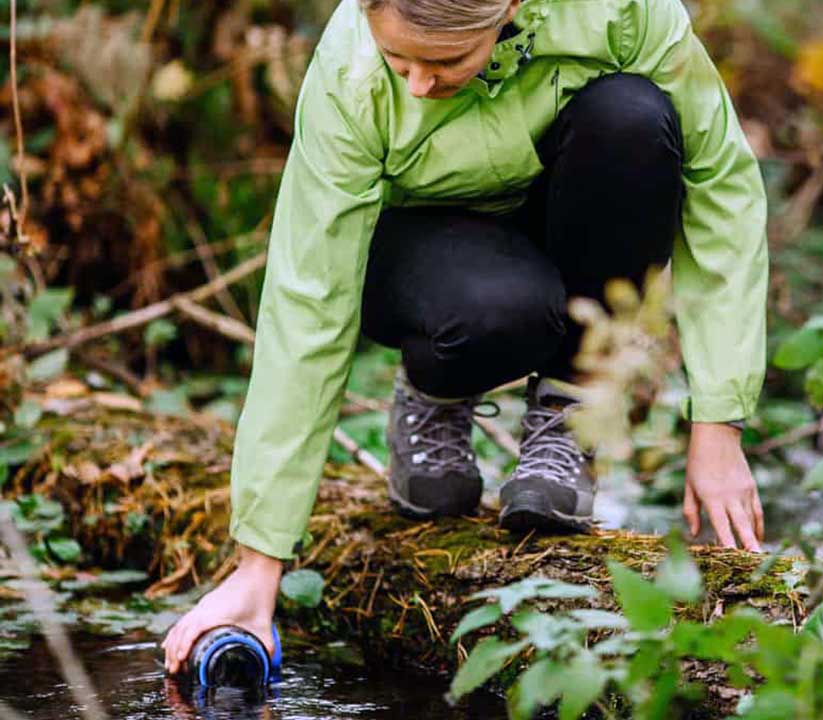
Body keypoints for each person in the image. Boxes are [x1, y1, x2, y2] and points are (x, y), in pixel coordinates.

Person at [162, 0, 768, 673]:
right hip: (423, 259)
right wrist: (259, 563)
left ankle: (572, 406)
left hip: (562, 222)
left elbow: (721, 185)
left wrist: (719, 422)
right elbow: (309, 301)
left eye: (444, 60)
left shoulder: (618, 11)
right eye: (401, 62)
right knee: (501, 309)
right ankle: (433, 389)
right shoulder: (350, 74)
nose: (417, 85)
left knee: (634, 116)